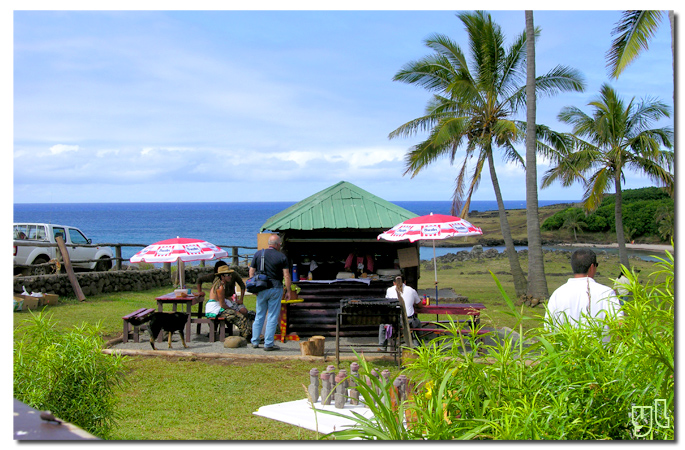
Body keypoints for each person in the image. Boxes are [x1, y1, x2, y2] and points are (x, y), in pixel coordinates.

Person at [545, 249, 622, 338]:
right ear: (592, 267)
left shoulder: (557, 294)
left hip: (565, 350)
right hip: (600, 350)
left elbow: (548, 328)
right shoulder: (606, 293)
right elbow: (620, 325)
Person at [249, 234, 291, 351]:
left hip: (261, 288)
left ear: (269, 243)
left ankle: (255, 341)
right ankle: (268, 343)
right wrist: (288, 290)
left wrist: (254, 287)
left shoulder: (258, 254)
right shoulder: (281, 257)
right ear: (277, 244)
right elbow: (286, 275)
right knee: (272, 316)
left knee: (259, 315)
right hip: (276, 288)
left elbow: (251, 271)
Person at [204, 265, 252, 340]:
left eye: (230, 275)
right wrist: (235, 311)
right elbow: (222, 305)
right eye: (228, 275)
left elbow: (221, 299)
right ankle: (247, 335)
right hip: (215, 310)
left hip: (218, 308)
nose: (230, 277)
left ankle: (247, 334)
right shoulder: (220, 287)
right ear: (222, 276)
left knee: (239, 314)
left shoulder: (221, 285)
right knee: (238, 316)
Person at [379, 275, 422, 349]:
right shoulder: (411, 290)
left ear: (394, 283)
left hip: (394, 321)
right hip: (409, 321)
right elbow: (420, 305)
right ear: (405, 282)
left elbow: (387, 304)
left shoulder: (389, 290)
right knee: (417, 322)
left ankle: (382, 347)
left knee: (382, 325)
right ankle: (418, 344)